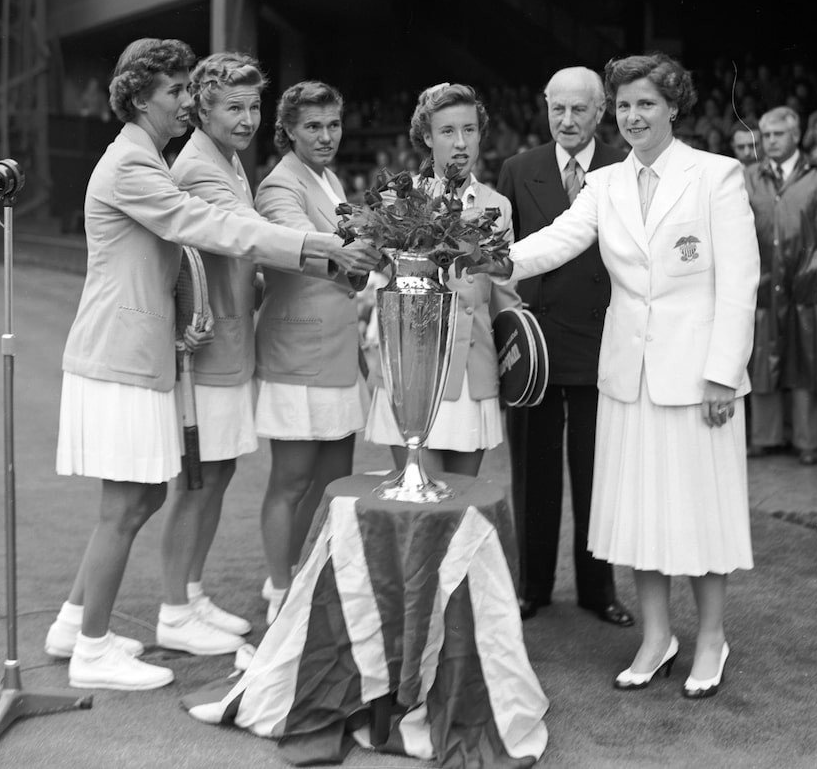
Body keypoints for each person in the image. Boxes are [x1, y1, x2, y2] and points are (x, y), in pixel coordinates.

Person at [44, 38, 377, 691]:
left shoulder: (148, 157)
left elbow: (209, 247)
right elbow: (214, 228)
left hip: (140, 355)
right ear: (140, 98)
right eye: (175, 92)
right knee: (130, 502)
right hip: (123, 354)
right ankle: (91, 646)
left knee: (137, 498)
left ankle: (75, 624)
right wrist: (319, 245)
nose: (185, 102)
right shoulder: (135, 167)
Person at [490, 52, 759, 699]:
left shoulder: (715, 175)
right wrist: (478, 258)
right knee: (636, 515)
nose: (634, 116)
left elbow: (738, 282)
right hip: (626, 376)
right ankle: (655, 636)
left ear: (672, 107)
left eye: (646, 103)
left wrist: (723, 372)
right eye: (625, 105)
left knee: (701, 515)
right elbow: (553, 240)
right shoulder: (604, 184)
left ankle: (711, 638)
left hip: (698, 380)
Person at [495, 67, 633, 628]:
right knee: (534, 470)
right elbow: (500, 259)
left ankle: (598, 590)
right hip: (535, 347)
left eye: (580, 110)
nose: (568, 121)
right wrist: (511, 331)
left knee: (597, 472)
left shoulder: (625, 170)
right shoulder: (518, 168)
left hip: (604, 342)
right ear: (546, 109)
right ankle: (532, 586)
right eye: (558, 110)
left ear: (600, 112)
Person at [254, 81, 370, 624]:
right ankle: (279, 590)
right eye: (313, 127)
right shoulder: (279, 186)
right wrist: (366, 251)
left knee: (332, 479)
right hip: (298, 351)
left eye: (333, 125)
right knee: (292, 479)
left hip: (338, 351)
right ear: (289, 131)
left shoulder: (327, 177)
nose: (326, 136)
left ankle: (305, 577)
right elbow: (302, 242)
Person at [365, 83, 520, 477]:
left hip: (473, 372)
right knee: (419, 510)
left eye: (469, 130)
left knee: (462, 507)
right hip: (413, 370)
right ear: (427, 138)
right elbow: (384, 284)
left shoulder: (498, 206)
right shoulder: (397, 200)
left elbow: (505, 295)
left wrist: (517, 356)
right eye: (448, 132)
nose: (461, 142)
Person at [744, 106, 817, 465]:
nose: (770, 142)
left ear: (796, 135)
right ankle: (765, 436)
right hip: (763, 281)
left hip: (807, 282)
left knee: (807, 359)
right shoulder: (749, 176)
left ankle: (807, 441)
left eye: (777, 135)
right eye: (766, 135)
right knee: (762, 359)